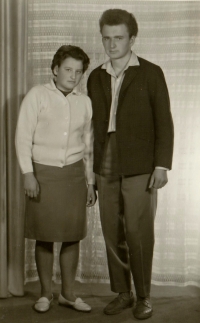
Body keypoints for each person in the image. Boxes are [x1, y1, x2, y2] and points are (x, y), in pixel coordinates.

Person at [87, 9, 174, 320]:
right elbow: (92, 126)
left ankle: (144, 296)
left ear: (132, 39)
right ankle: (123, 293)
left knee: (137, 232)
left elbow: (164, 123)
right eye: (107, 38)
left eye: (118, 38)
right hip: (105, 163)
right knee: (112, 232)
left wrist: (162, 165)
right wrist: (91, 175)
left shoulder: (151, 73)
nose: (111, 45)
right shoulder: (96, 76)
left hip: (141, 165)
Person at [15, 45, 96, 313]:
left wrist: (90, 183)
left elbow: (88, 146)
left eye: (78, 71)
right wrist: (28, 173)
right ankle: (45, 294)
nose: (73, 76)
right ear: (55, 69)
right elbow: (23, 136)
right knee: (45, 236)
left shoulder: (84, 102)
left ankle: (68, 294)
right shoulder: (37, 95)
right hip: (43, 174)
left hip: (74, 176)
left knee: (72, 236)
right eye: (68, 69)